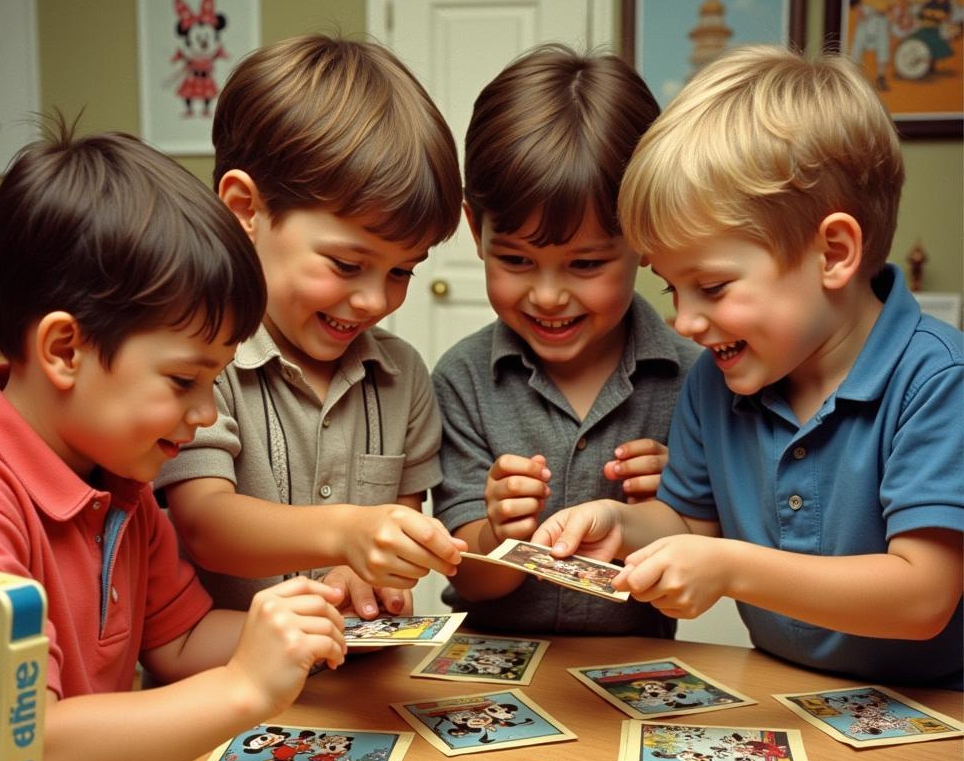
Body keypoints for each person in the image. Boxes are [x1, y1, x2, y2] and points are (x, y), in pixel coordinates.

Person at [0, 119, 348, 761]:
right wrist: (242, 689)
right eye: (185, 379)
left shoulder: (123, 488)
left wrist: (297, 624)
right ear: (65, 349)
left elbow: (180, 640)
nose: (205, 413)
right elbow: (17, 758)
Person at [534, 45, 963, 686]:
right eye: (671, 290)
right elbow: (685, 522)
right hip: (784, 694)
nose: (683, 321)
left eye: (711, 286)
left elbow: (923, 596)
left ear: (834, 253)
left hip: (934, 714)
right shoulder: (716, 381)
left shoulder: (935, 381)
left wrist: (730, 567)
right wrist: (619, 524)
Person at [155, 35, 466, 623]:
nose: (376, 300)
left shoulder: (403, 379)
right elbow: (206, 524)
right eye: (346, 265)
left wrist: (374, 568)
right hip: (218, 687)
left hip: (354, 687)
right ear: (246, 209)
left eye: (402, 270)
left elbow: (399, 523)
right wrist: (346, 532)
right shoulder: (198, 368)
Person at [430, 44, 700, 636]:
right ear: (477, 231)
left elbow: (703, 567)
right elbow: (470, 578)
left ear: (644, 235)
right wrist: (499, 531)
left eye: (585, 264)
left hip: (636, 684)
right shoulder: (463, 379)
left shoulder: (695, 380)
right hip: (492, 683)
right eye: (517, 260)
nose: (548, 296)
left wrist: (678, 505)